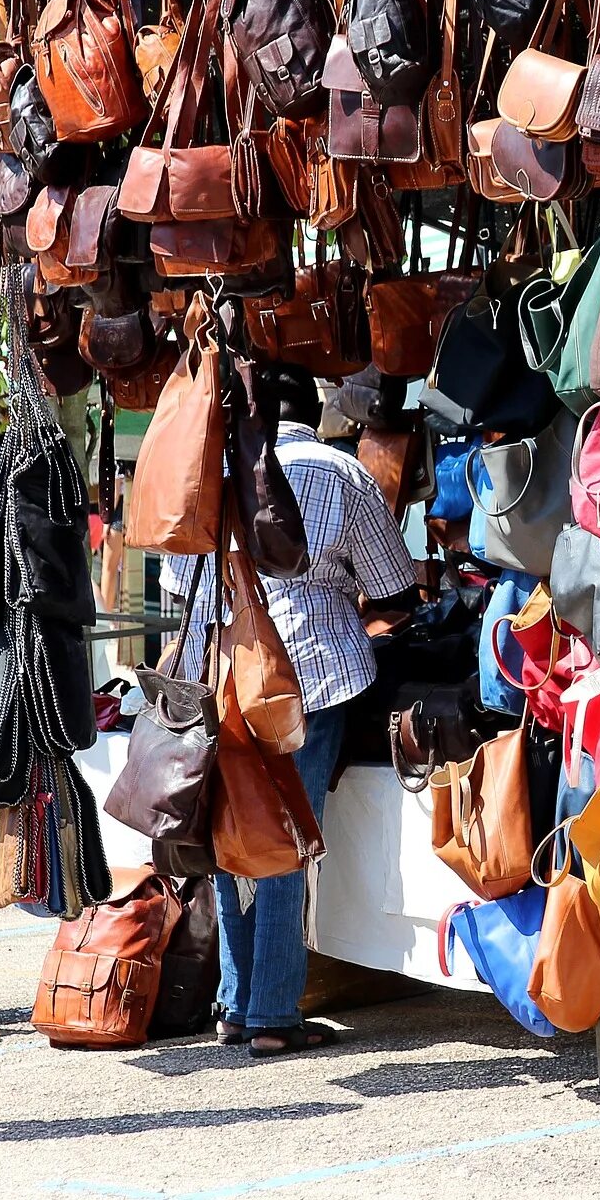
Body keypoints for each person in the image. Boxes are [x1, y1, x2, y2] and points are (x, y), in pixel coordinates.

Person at [164, 363, 417, 1059]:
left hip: (219, 682)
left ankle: (237, 1002)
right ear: (314, 406)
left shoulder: (204, 475)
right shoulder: (339, 473)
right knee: (284, 842)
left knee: (232, 833)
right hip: (312, 680)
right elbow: (394, 584)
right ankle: (273, 1012)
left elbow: (174, 582)